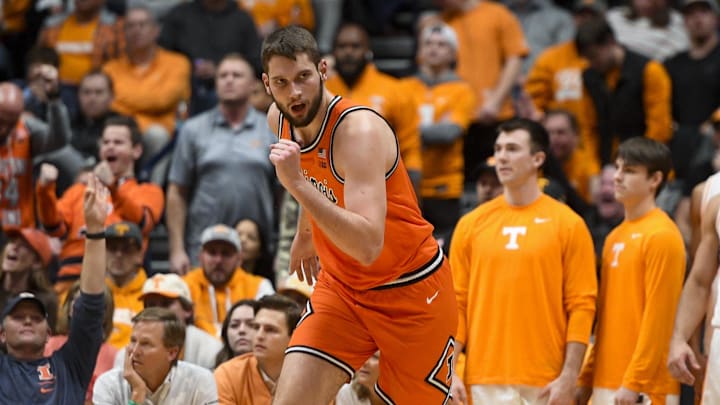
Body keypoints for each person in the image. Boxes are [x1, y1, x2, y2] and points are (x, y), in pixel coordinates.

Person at [261, 26, 458, 404]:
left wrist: (296, 185)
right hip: (342, 289)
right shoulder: (279, 118)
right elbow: (316, 176)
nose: (295, 93)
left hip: (410, 292)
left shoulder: (360, 131)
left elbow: (368, 244)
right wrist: (305, 235)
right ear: (268, 84)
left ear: (322, 69)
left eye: (303, 77)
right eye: (282, 83)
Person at [449, 118, 597, 404]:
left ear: (538, 159)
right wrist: (451, 369)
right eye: (498, 148)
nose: (501, 156)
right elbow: (457, 304)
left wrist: (569, 377)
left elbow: (582, 305)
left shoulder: (569, 224)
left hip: (546, 382)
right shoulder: (470, 225)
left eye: (513, 148)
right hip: (483, 379)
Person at [576, 137, 685, 405]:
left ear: (655, 179)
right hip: (607, 380)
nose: (618, 177)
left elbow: (658, 318)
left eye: (630, 170)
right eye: (618, 167)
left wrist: (635, 382)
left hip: (645, 388)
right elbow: (605, 319)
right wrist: (587, 378)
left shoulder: (662, 235)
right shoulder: (614, 237)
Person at [0, 173, 108, 403]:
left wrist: (96, 231)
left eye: (36, 318)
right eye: (18, 317)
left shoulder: (69, 365)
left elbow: (91, 306)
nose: (28, 321)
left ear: (49, 334)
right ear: (1, 334)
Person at [167, 54, 277, 275]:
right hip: (205, 247)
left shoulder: (271, 129)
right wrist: (177, 249)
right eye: (223, 75)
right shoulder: (193, 130)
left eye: (237, 75)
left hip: (256, 250)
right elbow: (177, 192)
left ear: (254, 84)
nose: (229, 80)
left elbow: (285, 194)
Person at [36, 116, 164, 294]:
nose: (110, 146)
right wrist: (44, 190)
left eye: (118, 142)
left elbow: (143, 223)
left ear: (136, 150)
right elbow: (54, 227)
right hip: (71, 282)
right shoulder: (79, 190)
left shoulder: (149, 191)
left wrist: (111, 187)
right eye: (106, 142)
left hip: (120, 285)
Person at [398, 23, 475, 248]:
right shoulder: (403, 87)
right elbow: (392, 129)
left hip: (444, 185)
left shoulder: (462, 90)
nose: (434, 49)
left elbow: (450, 133)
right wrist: (430, 130)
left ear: (452, 53)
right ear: (420, 51)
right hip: (407, 183)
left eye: (441, 45)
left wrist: (410, 131)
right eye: (428, 44)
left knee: (443, 248)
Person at [325, 22, 423, 192]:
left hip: (384, 185)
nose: (348, 52)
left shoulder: (394, 89)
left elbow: (410, 146)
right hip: (330, 184)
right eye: (342, 46)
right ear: (333, 52)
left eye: (355, 46)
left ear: (367, 51)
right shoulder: (323, 90)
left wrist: (414, 187)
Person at [576, 17, 672, 165]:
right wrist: (593, 170)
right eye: (587, 58)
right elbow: (588, 128)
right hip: (608, 164)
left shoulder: (650, 70)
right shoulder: (589, 76)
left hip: (647, 164)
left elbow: (659, 128)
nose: (591, 63)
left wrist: (639, 165)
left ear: (611, 42)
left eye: (594, 56)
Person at [92, 307, 218, 404]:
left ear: (172, 353)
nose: (134, 351)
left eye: (146, 344)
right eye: (133, 340)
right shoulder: (108, 384)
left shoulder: (200, 382)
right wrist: (137, 394)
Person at [0, 78, 71, 232]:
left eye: (10, 123)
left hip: (22, 228)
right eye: (0, 121)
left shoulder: (25, 130)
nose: (4, 129)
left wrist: (54, 100)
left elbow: (60, 139)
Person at [114, 273, 223, 369]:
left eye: (166, 304)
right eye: (151, 305)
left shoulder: (212, 351)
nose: (157, 312)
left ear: (188, 310)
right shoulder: (126, 356)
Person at [184, 224, 274, 337]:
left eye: (226, 253)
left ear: (239, 258)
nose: (218, 260)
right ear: (200, 256)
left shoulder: (259, 286)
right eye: (212, 252)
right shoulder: (185, 285)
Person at [214, 294, 302, 404]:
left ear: (294, 337)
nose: (259, 335)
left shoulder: (312, 376)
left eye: (270, 330)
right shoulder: (227, 374)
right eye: (255, 327)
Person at [44, 281, 117, 405]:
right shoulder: (49, 345)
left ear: (105, 313)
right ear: (68, 307)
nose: (85, 309)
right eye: (78, 301)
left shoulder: (115, 355)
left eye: (93, 305)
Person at [102, 221, 150, 350]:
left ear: (140, 255)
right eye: (112, 248)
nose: (118, 255)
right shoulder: (87, 293)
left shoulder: (151, 295)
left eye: (126, 249)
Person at [0, 228, 58, 332]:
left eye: (24, 245)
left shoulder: (46, 301)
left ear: (36, 263)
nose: (15, 247)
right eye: (12, 241)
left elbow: (47, 342)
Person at [215, 299, 257, 367]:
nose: (241, 330)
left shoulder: (278, 373)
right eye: (234, 325)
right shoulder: (213, 375)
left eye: (251, 324)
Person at [235, 218, 275, 284]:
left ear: (260, 251)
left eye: (251, 237)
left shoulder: (263, 286)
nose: (243, 240)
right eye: (238, 234)